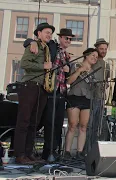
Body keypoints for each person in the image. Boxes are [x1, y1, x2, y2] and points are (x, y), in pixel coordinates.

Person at [25, 28, 73, 160]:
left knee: (58, 123)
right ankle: (47, 152)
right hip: (50, 90)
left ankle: (54, 150)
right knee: (49, 122)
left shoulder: (66, 55)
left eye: (70, 39)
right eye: (66, 38)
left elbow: (66, 74)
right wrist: (31, 42)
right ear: (60, 38)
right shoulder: (52, 46)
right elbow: (31, 41)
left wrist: (68, 69)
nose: (68, 41)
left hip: (61, 92)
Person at [14, 22, 55, 164]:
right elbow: (24, 64)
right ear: (39, 34)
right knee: (24, 121)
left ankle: (28, 153)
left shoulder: (47, 48)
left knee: (34, 123)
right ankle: (19, 154)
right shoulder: (34, 45)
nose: (49, 35)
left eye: (50, 33)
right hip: (30, 85)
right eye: (46, 32)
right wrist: (43, 66)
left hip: (42, 87)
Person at [64, 48, 98, 160]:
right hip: (74, 97)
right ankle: (67, 152)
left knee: (83, 126)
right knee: (73, 125)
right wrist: (80, 70)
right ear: (86, 56)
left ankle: (79, 152)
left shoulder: (93, 71)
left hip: (87, 98)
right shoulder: (76, 65)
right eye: (93, 55)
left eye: (96, 57)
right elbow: (69, 81)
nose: (95, 58)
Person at [85, 38, 110, 152]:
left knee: (97, 126)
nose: (103, 51)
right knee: (88, 125)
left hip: (100, 97)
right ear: (96, 49)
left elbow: (107, 80)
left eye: (105, 49)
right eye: (101, 49)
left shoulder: (106, 65)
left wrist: (106, 85)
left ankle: (94, 150)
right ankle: (86, 149)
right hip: (91, 96)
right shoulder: (93, 61)